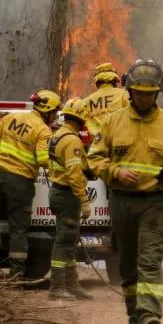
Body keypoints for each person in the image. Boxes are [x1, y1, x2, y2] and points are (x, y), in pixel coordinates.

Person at [88, 59, 163, 324]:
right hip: (122, 201)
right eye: (139, 92)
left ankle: (149, 316)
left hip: (157, 202)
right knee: (128, 264)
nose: (144, 98)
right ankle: (133, 319)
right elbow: (95, 158)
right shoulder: (112, 122)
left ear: (158, 92)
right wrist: (116, 172)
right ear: (129, 91)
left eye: (150, 93)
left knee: (149, 261)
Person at [0, 90, 61, 276]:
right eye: (56, 113)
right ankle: (17, 273)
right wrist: (59, 167)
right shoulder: (43, 131)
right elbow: (44, 160)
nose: (56, 117)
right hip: (20, 182)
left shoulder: (11, 118)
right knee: (18, 229)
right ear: (49, 111)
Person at [46, 98, 95, 301]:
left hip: (59, 192)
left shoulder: (57, 135)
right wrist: (84, 200)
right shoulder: (72, 140)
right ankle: (57, 287)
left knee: (70, 240)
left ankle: (72, 284)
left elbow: (80, 166)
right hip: (67, 195)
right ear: (81, 119)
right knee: (64, 240)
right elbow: (74, 173)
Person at [82, 62, 129, 146]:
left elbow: (83, 127)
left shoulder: (85, 102)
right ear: (114, 80)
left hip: (96, 146)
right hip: (120, 144)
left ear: (97, 82)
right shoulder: (123, 95)